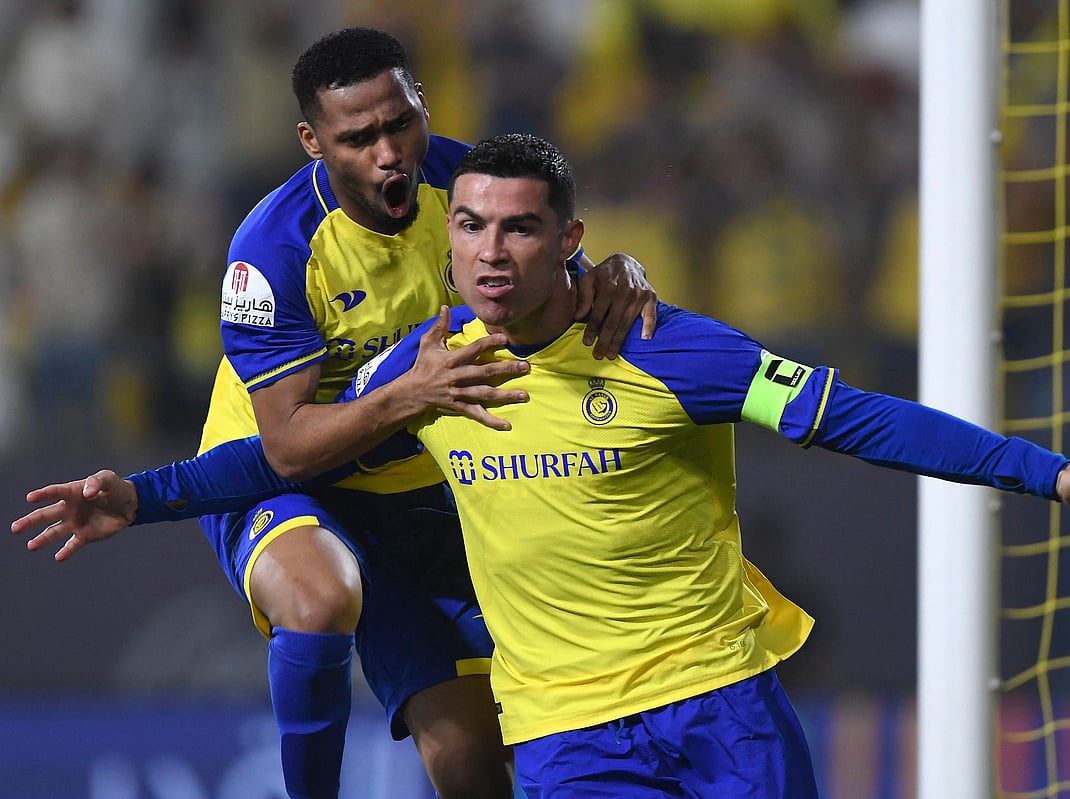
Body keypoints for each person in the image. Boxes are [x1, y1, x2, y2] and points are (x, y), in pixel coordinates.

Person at [14, 134, 1070, 797]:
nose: (486, 252)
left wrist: (1049, 477)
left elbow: (866, 420)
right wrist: (139, 494)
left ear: (571, 240)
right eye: (468, 227)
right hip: (571, 738)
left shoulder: (670, 349)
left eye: (518, 229)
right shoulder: (438, 371)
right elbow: (277, 461)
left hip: (723, 705)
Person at [19, 28, 658, 799]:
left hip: (421, 492)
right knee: (323, 597)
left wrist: (618, 272)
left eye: (400, 123)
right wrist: (409, 395)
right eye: (358, 138)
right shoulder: (272, 250)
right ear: (312, 142)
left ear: (423, 102)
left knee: (473, 770)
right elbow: (288, 449)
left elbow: (565, 294)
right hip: (268, 471)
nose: (388, 153)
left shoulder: (472, 185)